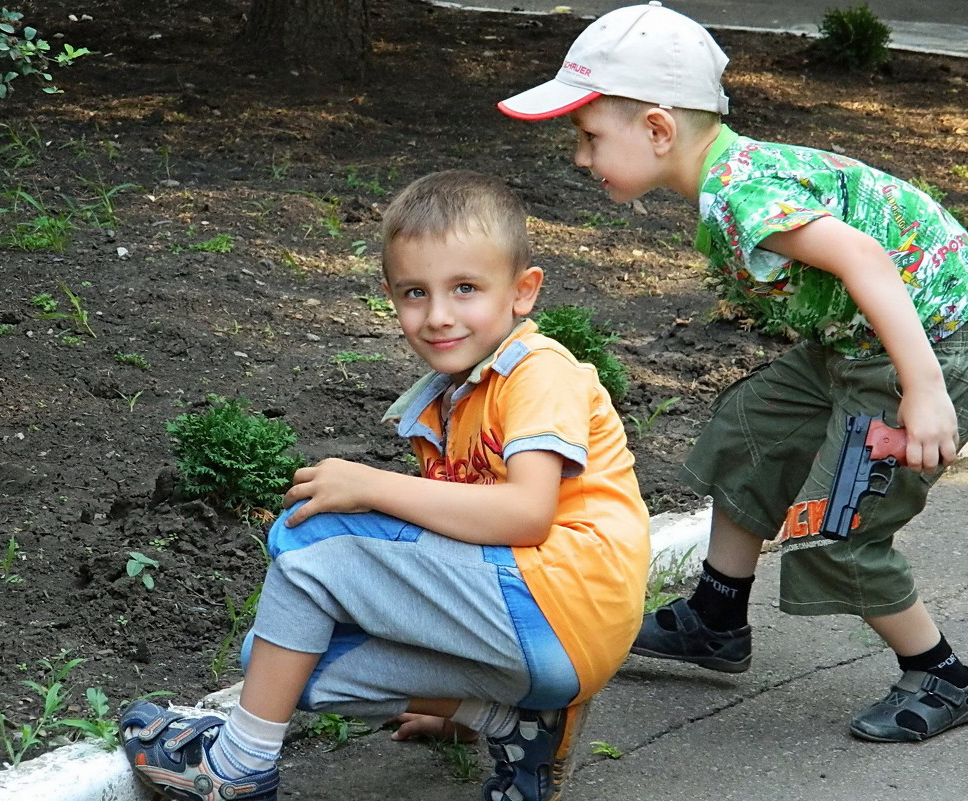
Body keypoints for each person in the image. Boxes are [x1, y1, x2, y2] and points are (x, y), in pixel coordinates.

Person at [498, 2, 968, 743]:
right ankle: (715, 615)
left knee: (836, 525)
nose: (580, 157)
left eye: (588, 136)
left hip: (936, 343)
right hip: (860, 343)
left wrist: (923, 389)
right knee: (750, 428)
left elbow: (865, 259)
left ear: (658, 130)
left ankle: (941, 672)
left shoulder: (743, 192)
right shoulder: (729, 175)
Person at [120, 169, 650, 801]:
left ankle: (236, 767)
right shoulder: (449, 399)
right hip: (538, 630)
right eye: (415, 293)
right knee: (278, 659)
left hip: (566, 604)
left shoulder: (538, 373)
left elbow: (527, 514)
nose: (438, 315)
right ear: (389, 296)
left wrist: (371, 485)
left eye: (465, 288)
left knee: (309, 536)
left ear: (523, 291)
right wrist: (452, 706)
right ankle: (509, 720)